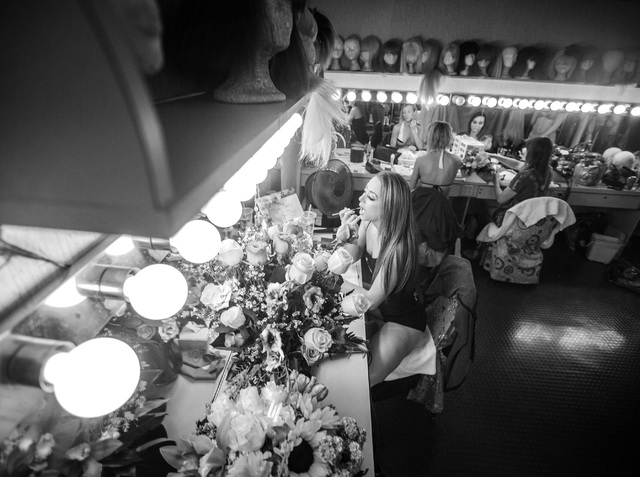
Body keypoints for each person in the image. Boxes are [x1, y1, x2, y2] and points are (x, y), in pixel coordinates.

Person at [338, 171, 429, 387]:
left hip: (402, 319)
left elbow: (371, 301)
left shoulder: (397, 249)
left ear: (389, 208)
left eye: (370, 197)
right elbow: (355, 253)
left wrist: (334, 283)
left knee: (364, 379)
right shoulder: (369, 223)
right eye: (364, 192)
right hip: (383, 305)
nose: (360, 199)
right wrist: (347, 235)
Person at [491, 136, 554, 226]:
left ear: (533, 153)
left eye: (527, 149)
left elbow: (500, 199)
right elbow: (517, 164)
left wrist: (496, 182)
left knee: (486, 205)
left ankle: (489, 232)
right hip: (530, 218)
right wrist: (494, 156)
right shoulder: (548, 172)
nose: (524, 151)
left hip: (514, 220)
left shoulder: (525, 175)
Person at [409, 120, 462, 198]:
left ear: (430, 137)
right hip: (443, 204)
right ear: (449, 137)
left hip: (423, 203)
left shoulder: (420, 160)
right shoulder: (456, 160)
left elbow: (411, 188)